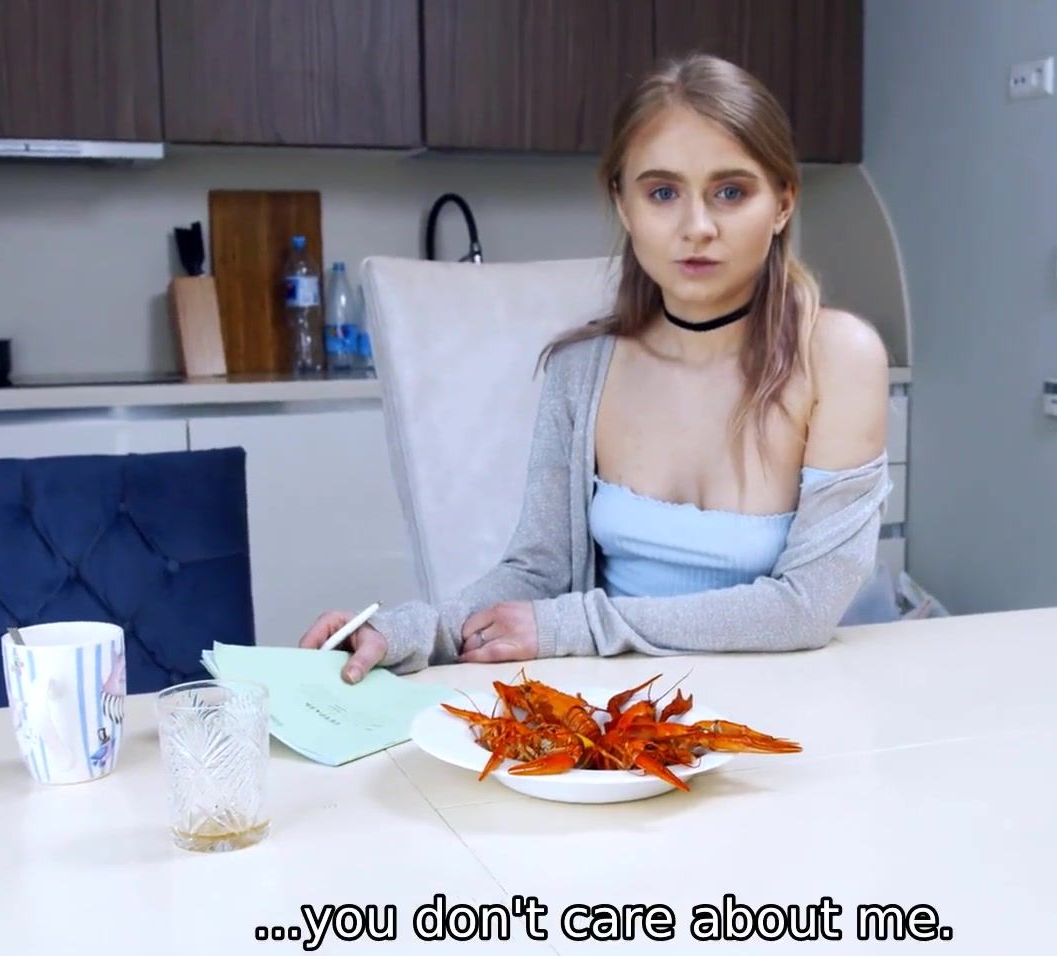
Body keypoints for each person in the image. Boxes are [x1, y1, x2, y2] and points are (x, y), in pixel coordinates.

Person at [300, 52, 894, 683]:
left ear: (782, 204)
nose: (697, 227)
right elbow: (538, 572)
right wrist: (407, 631)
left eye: (730, 192)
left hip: (800, 709)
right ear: (623, 204)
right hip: (627, 715)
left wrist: (573, 626)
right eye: (662, 193)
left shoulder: (839, 357)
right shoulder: (582, 371)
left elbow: (805, 608)